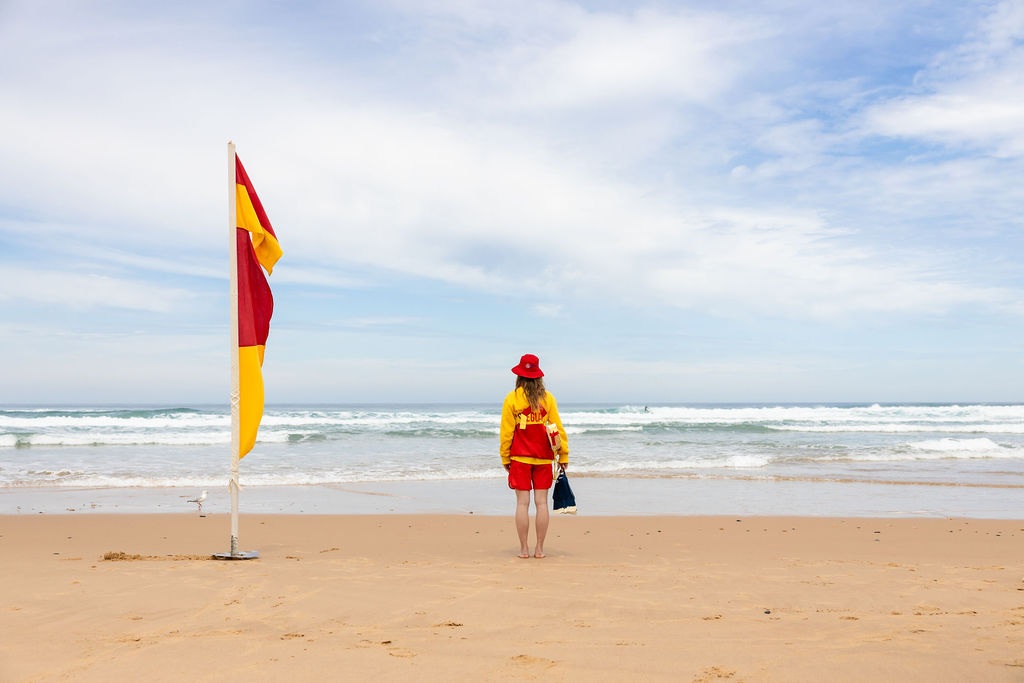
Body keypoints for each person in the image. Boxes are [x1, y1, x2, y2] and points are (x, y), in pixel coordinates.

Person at [499, 353, 569, 558]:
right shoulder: (548, 398)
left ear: (519, 375)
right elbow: (557, 428)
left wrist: (505, 457)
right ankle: (539, 549)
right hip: (544, 457)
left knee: (522, 503)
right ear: (538, 376)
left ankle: (523, 549)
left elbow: (506, 432)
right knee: (541, 503)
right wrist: (563, 455)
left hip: (520, 458)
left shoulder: (512, 398)